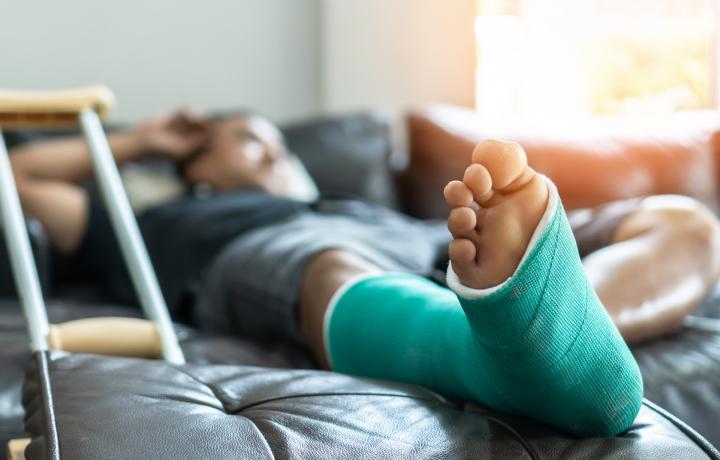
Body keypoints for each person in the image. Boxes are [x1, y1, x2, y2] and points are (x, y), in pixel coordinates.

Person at [8, 111, 720, 436]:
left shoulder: (355, 201)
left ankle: (546, 320)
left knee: (683, 220)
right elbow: (14, 177)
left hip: (423, 246)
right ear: (194, 170)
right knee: (327, 266)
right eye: (246, 140)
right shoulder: (155, 216)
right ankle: (517, 335)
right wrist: (138, 143)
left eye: (279, 143)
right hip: (273, 251)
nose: (271, 150)